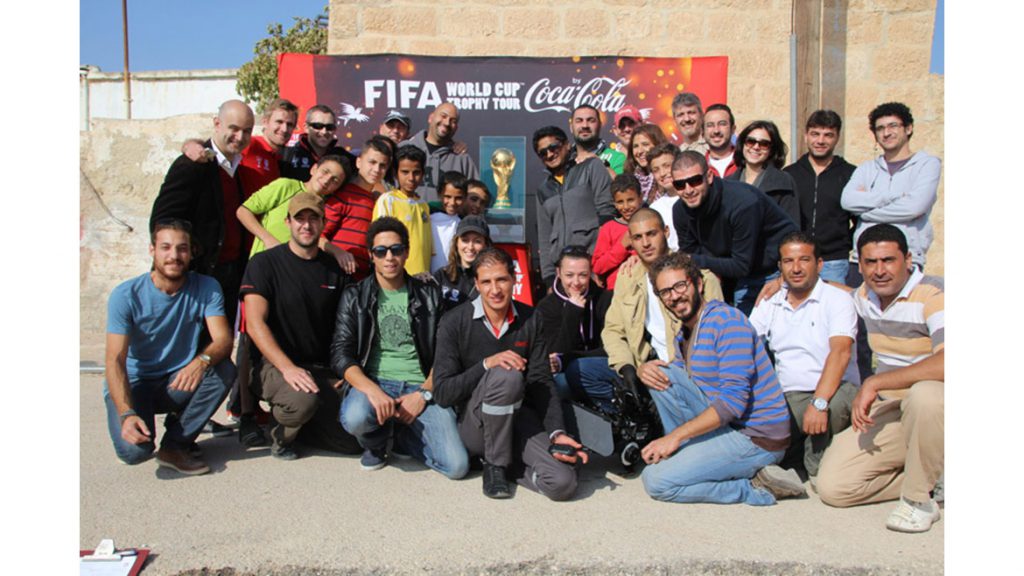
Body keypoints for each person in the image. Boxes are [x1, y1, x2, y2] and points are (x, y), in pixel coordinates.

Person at [640, 251, 804, 505]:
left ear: (698, 284)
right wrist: (643, 369)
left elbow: (733, 403)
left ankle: (755, 487)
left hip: (756, 437)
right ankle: (689, 460)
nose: (674, 296)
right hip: (729, 425)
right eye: (665, 292)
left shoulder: (727, 322)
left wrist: (673, 438)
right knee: (660, 373)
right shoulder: (685, 332)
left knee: (657, 481)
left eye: (680, 285)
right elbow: (683, 384)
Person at [817, 224, 944, 533]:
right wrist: (783, 280)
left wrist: (875, 382)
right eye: (870, 262)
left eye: (888, 260)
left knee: (924, 394)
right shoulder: (866, 296)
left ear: (908, 260)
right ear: (859, 265)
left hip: (939, 408)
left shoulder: (933, 294)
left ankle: (918, 501)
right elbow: (840, 290)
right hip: (897, 412)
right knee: (834, 487)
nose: (880, 270)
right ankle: (934, 476)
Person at [432, 248, 588, 500]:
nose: (495, 290)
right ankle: (494, 464)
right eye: (486, 282)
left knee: (563, 483)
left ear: (514, 279)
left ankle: (506, 466)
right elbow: (443, 393)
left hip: (516, 419)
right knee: (506, 375)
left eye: (501, 280)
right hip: (476, 426)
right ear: (477, 284)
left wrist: (557, 433)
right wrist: (486, 364)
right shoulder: (454, 322)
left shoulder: (530, 318)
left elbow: (541, 381)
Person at [334, 217, 469, 478]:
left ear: (406, 252)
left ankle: (403, 437)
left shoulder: (429, 295)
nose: (389, 257)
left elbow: (447, 354)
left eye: (396, 250)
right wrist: (372, 390)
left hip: (418, 385)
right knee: (355, 417)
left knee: (457, 466)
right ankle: (376, 441)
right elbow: (340, 354)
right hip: (375, 382)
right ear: (371, 255)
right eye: (380, 251)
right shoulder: (354, 295)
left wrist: (424, 394)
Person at [103, 219, 235, 475]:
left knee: (223, 370)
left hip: (176, 382)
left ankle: (175, 445)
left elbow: (223, 340)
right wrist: (126, 413)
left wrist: (200, 362)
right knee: (134, 453)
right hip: (134, 384)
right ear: (152, 250)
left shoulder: (207, 287)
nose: (174, 256)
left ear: (191, 252)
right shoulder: (126, 295)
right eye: (165, 247)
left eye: (182, 248)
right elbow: (114, 360)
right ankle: (135, 420)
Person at [241, 193, 360, 460]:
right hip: (274, 365)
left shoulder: (335, 269)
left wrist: (346, 368)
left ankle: (304, 423)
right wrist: (287, 368)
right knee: (301, 402)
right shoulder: (264, 263)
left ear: (323, 223)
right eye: (300, 219)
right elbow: (254, 322)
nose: (306, 225)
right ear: (288, 222)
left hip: (321, 369)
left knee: (352, 442)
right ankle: (281, 436)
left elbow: (347, 326)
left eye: (313, 219)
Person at [749, 233, 859, 479]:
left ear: (819, 264)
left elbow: (840, 353)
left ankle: (814, 468)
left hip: (837, 389)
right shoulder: (770, 301)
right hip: (790, 392)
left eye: (804, 260)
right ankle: (799, 459)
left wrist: (819, 403)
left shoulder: (837, 300)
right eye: (788, 261)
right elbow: (747, 342)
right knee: (769, 422)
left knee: (826, 413)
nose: (796, 268)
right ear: (780, 267)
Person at [149, 99, 255, 329]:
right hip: (194, 276)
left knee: (218, 346)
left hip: (228, 276)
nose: (240, 136)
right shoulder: (192, 164)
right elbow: (163, 219)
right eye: (234, 128)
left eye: (246, 131)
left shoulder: (237, 168)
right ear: (217, 124)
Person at [602, 209, 723, 397]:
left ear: (666, 232)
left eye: (651, 234)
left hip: (691, 371)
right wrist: (627, 367)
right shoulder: (628, 277)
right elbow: (613, 330)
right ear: (631, 242)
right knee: (579, 372)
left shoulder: (700, 277)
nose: (646, 243)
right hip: (646, 364)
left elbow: (716, 336)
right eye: (638, 237)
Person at [672, 150, 797, 315]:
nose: (688, 190)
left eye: (695, 181)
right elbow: (691, 251)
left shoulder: (743, 203)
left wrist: (697, 260)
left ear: (709, 177)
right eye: (680, 185)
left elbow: (741, 265)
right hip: (730, 270)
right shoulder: (680, 210)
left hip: (774, 269)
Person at [841, 102, 941, 270]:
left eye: (892, 126)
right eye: (880, 128)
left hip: (906, 258)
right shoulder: (866, 168)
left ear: (908, 128)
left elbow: (914, 207)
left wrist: (865, 213)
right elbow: (847, 201)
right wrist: (895, 197)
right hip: (864, 258)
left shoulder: (927, 165)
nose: (886, 133)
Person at [533, 125, 615, 287]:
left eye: (553, 147)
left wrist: (600, 265)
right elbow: (544, 236)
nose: (549, 154)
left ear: (566, 145)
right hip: (563, 275)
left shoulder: (591, 167)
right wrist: (549, 279)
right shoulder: (543, 190)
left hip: (594, 267)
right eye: (543, 153)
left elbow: (607, 214)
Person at [536, 246, 615, 414]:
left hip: (600, 364)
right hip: (566, 372)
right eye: (569, 275)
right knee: (560, 383)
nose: (576, 282)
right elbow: (557, 353)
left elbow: (610, 349)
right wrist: (573, 313)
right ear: (558, 272)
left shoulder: (605, 299)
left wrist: (570, 359)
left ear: (591, 273)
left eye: (583, 275)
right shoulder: (546, 307)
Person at [783, 110, 857, 285]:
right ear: (806, 136)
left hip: (834, 262)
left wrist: (844, 240)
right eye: (815, 134)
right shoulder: (789, 174)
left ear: (837, 137)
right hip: (796, 259)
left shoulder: (851, 174)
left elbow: (861, 218)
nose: (821, 141)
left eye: (828, 135)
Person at [237, 155, 351, 258]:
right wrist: (268, 239)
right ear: (314, 169)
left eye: (335, 180)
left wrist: (337, 251)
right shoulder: (286, 186)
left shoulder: (328, 207)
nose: (326, 180)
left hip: (294, 270)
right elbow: (244, 211)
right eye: (325, 172)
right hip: (264, 262)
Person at [321, 135, 393, 280]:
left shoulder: (379, 200)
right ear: (359, 162)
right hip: (334, 275)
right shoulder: (343, 196)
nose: (376, 169)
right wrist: (338, 252)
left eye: (382, 165)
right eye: (372, 162)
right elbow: (317, 236)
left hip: (360, 280)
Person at [400, 102, 479, 201]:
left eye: (453, 121)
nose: (447, 123)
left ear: (456, 128)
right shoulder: (404, 148)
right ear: (431, 118)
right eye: (443, 116)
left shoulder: (462, 158)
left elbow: (475, 195)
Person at [372, 145, 432, 275]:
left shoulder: (424, 205)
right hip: (397, 278)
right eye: (405, 172)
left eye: (416, 172)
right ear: (395, 173)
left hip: (422, 278)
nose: (411, 178)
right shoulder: (388, 200)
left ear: (423, 174)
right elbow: (379, 242)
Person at [727, 120, 800, 225]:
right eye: (751, 141)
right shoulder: (727, 184)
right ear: (743, 144)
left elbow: (791, 229)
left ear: (771, 149)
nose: (756, 147)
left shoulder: (784, 182)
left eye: (764, 144)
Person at [281, 104, 358, 182]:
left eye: (329, 127)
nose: (324, 132)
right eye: (317, 126)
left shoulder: (343, 157)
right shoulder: (288, 156)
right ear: (306, 128)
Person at [591, 173, 641, 290]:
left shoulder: (648, 222)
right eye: (620, 202)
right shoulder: (608, 228)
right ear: (614, 203)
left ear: (640, 197)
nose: (626, 206)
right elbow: (598, 266)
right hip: (616, 291)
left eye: (630, 200)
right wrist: (622, 246)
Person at [434, 215, 492, 313]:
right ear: (457, 243)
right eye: (465, 240)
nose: (470, 247)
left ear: (486, 245)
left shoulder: (491, 279)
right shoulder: (442, 276)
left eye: (477, 241)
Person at [645, 143, 683, 251]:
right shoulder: (655, 208)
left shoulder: (693, 196)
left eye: (667, 166)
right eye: (656, 170)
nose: (662, 173)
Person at [569, 104, 625, 175]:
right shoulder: (564, 160)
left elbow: (621, 185)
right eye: (579, 121)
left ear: (600, 125)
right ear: (571, 127)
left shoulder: (617, 158)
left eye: (591, 120)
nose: (585, 125)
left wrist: (599, 163)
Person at [429, 171, 468, 274]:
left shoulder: (463, 223)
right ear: (439, 194)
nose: (452, 203)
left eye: (458, 198)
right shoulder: (427, 217)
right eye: (448, 197)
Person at [624, 124, 670, 203]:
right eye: (635, 146)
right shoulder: (629, 179)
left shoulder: (669, 174)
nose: (639, 151)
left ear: (658, 144)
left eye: (645, 144)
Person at [703, 103, 738, 178]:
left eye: (722, 124)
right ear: (703, 132)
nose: (716, 131)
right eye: (710, 125)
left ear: (733, 129)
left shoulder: (745, 163)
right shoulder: (699, 167)